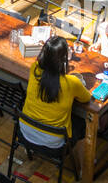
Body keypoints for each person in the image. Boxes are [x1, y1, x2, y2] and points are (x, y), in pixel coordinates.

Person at [19, 37, 91, 173]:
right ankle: (83, 169)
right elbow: (86, 98)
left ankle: (31, 150)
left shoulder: (34, 69)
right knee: (82, 124)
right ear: (64, 59)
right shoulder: (71, 82)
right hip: (54, 144)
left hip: (25, 132)